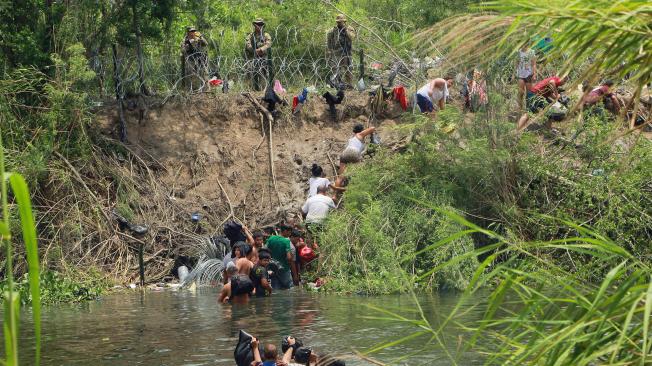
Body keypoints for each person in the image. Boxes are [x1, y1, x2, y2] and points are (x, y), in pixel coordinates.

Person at [326, 14, 356, 89]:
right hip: (337, 53)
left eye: (341, 22)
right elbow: (328, 41)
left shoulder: (349, 29)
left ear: (344, 22)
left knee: (348, 70)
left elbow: (352, 37)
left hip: (347, 52)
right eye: (338, 22)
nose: (339, 24)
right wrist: (329, 51)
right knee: (336, 70)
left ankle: (349, 85)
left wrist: (346, 30)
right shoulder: (333, 30)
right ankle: (336, 85)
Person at [265, 224, 299, 289]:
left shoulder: (271, 238)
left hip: (273, 268)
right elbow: (289, 257)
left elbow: (264, 250)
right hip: (284, 268)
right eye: (289, 232)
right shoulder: (286, 241)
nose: (290, 234)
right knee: (290, 288)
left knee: (276, 288)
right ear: (285, 231)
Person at [245, 18, 273, 91]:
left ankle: (267, 89)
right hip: (253, 58)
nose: (259, 26)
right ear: (254, 25)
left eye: (261, 24)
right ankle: (253, 89)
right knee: (251, 71)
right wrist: (254, 50)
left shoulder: (266, 35)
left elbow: (268, 44)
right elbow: (248, 45)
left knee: (267, 74)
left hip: (264, 57)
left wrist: (261, 49)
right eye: (257, 24)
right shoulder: (250, 36)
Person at [516, 44, 537, 110]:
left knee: (529, 93)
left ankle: (528, 109)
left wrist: (534, 74)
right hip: (520, 74)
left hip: (529, 74)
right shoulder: (518, 52)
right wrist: (515, 73)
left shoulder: (531, 52)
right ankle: (520, 109)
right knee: (521, 92)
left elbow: (533, 64)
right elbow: (517, 62)